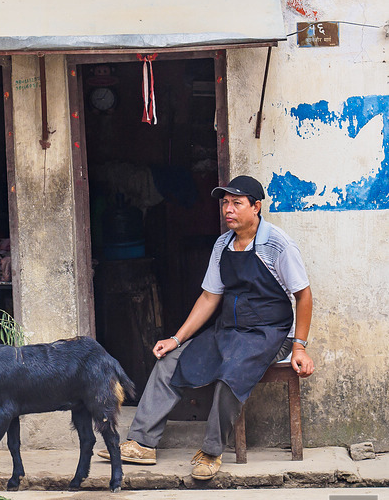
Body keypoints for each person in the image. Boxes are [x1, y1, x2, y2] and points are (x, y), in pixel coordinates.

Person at [98, 175, 314, 480]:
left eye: (237, 203)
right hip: (228, 332)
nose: (228, 209)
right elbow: (210, 297)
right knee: (170, 362)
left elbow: (303, 296)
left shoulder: (277, 244)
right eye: (225, 203)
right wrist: (176, 338)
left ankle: (211, 452)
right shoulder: (222, 244)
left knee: (231, 375)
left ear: (256, 207)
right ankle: (142, 443)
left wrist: (299, 345)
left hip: (269, 334)